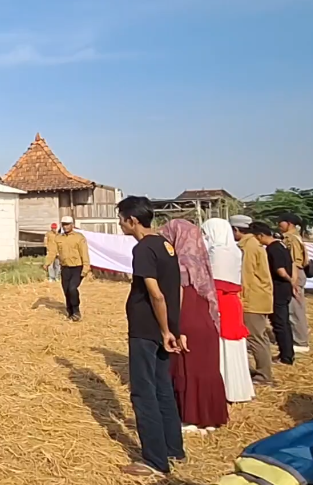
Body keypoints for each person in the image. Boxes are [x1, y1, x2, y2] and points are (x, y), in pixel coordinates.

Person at [116, 196, 185, 478]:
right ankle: (173, 448)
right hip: (162, 329)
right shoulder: (166, 245)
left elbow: (156, 293)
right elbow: (176, 291)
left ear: (133, 220)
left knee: (144, 393)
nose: (120, 225)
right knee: (162, 389)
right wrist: (174, 329)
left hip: (146, 329)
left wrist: (167, 330)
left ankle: (155, 461)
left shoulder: (143, 249)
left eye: (121, 219)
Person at [160, 219, 229, 433]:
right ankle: (209, 417)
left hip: (187, 320)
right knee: (206, 368)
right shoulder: (200, 262)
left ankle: (190, 417)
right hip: (206, 320)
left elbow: (177, 294)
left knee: (185, 366)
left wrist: (174, 327)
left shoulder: (178, 264)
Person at [200, 218, 254, 404]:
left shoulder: (217, 252)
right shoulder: (234, 251)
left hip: (220, 302)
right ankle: (237, 388)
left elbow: (212, 284)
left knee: (222, 346)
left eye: (206, 232)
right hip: (230, 302)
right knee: (232, 347)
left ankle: (225, 389)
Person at [230, 214, 275, 385]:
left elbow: (246, 276)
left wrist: (241, 299)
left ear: (236, 230)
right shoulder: (254, 244)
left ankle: (264, 375)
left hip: (253, 299)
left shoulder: (248, 247)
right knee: (259, 337)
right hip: (259, 296)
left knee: (256, 338)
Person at [251, 222, 296, 365]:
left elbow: (280, 270)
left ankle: (286, 357)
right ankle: (287, 353)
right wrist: (292, 281)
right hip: (285, 289)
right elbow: (293, 264)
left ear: (261, 236)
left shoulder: (272, 249)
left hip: (278, 289)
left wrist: (289, 280)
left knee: (279, 324)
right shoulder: (281, 245)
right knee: (283, 323)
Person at [44, 216, 91, 321]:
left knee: (72, 288)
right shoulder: (58, 238)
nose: (65, 226)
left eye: (67, 224)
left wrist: (85, 268)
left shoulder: (79, 237)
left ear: (72, 225)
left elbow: (84, 253)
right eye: (64, 224)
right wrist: (47, 263)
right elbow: (52, 252)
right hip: (65, 268)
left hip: (77, 267)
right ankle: (70, 312)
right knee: (66, 290)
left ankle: (76, 310)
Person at [278, 213, 310, 354]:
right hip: (293, 274)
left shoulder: (291, 239)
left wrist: (293, 281)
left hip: (294, 274)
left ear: (289, 223)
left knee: (295, 309)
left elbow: (295, 262)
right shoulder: (292, 237)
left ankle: (301, 342)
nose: (279, 224)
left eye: (281, 222)